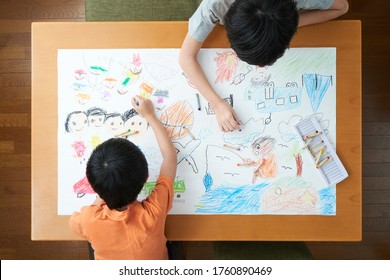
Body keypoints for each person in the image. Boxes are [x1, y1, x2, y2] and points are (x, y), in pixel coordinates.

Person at [179, 0, 349, 132]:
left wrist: (288, 25)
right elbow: (186, 57)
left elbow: (342, 7)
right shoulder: (216, 4)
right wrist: (217, 104)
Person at [68, 95, 177, 260]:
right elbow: (170, 156)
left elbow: (73, 223)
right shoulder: (154, 212)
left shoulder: (87, 219)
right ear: (146, 177)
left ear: (93, 186)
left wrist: (103, 192)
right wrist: (150, 117)